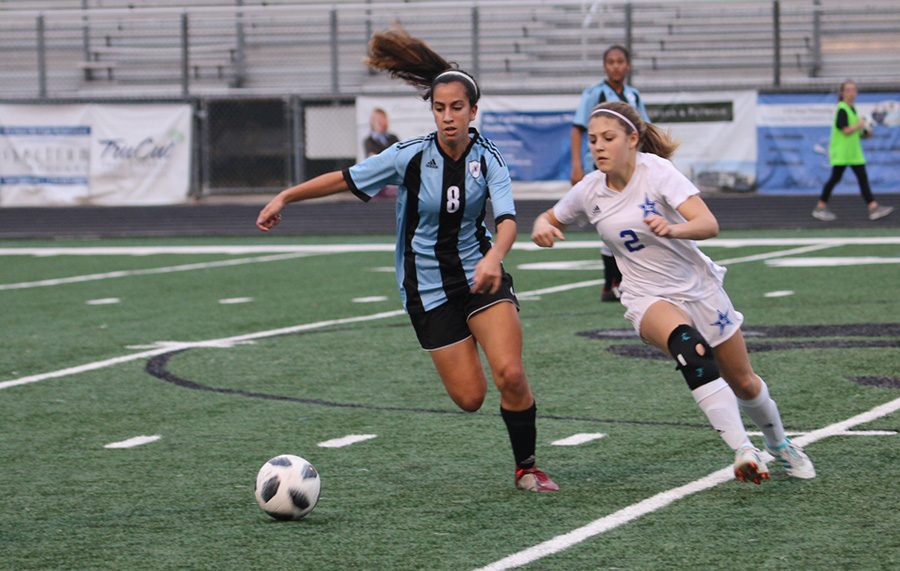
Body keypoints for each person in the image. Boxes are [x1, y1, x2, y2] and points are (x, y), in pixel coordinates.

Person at [256, 28, 558, 492]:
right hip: (427, 288)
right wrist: (285, 196)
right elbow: (343, 179)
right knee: (471, 398)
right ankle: (472, 341)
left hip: (481, 276)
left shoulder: (488, 157)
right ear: (432, 111)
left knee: (511, 373)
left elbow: (509, 220)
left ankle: (527, 467)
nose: (448, 116)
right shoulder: (409, 156)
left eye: (457, 107)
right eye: (440, 108)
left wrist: (495, 258)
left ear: (473, 111)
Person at [533, 101, 816, 484]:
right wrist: (541, 226)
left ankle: (780, 444)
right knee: (690, 349)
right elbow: (549, 216)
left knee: (744, 382)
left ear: (632, 140)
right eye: (593, 140)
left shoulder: (657, 173)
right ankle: (743, 450)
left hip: (699, 289)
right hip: (645, 297)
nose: (598, 147)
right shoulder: (589, 190)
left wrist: (672, 228)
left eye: (608, 138)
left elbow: (707, 223)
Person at [570, 45, 650, 303]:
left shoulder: (633, 95)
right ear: (605, 66)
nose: (615, 66)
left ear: (627, 66)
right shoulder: (595, 94)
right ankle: (612, 283)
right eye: (611, 62)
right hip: (601, 168)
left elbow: (644, 129)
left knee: (629, 220)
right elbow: (578, 129)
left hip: (630, 168)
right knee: (610, 221)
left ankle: (616, 283)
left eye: (620, 62)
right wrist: (576, 166)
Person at [812, 80, 894, 222]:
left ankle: (873, 208)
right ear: (842, 93)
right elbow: (845, 130)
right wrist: (860, 124)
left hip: (853, 153)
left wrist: (865, 134)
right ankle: (820, 207)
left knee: (862, 179)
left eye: (854, 90)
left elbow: (855, 133)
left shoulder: (852, 109)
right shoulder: (842, 109)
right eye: (848, 90)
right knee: (835, 179)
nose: (852, 93)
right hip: (842, 153)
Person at [362, 107, 400, 198]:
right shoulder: (369, 141)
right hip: (378, 179)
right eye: (377, 120)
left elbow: (400, 156)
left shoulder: (393, 138)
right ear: (372, 122)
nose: (381, 122)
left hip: (393, 178)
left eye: (383, 119)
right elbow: (374, 159)